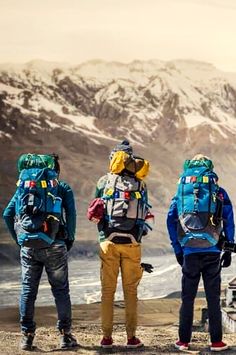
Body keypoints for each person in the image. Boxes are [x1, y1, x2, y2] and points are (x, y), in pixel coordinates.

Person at [3, 153, 78, 351]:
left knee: (28, 290)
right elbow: (71, 216)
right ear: (56, 170)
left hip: (28, 246)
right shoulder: (62, 188)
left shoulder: (24, 188)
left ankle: (27, 337)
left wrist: (20, 240)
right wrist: (68, 239)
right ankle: (65, 336)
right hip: (55, 244)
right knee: (60, 291)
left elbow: (7, 214)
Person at [167, 154, 235, 352]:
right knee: (213, 298)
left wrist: (178, 248)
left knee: (187, 298)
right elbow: (229, 219)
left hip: (189, 251)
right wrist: (229, 247)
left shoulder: (182, 192)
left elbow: (170, 220)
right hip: (213, 250)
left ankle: (183, 341)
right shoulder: (218, 192)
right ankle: (216, 342)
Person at [93, 140, 152, 349]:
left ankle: (106, 338)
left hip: (108, 242)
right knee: (131, 292)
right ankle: (131, 338)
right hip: (132, 243)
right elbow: (144, 213)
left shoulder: (103, 182)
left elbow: (95, 209)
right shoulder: (141, 184)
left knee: (107, 292)